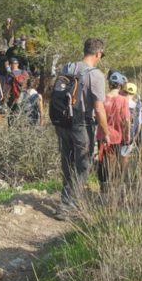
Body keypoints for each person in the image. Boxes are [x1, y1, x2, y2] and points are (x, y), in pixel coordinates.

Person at [52, 38, 110, 218]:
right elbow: (99, 108)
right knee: (84, 165)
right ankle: (67, 205)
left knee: (67, 162)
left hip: (61, 122)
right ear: (98, 54)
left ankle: (67, 198)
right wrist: (106, 133)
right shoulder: (96, 75)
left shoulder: (67, 68)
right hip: (81, 124)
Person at [96, 71, 131, 191]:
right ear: (120, 85)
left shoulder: (102, 98)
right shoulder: (123, 100)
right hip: (117, 137)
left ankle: (103, 187)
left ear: (110, 84)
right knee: (115, 163)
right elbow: (126, 120)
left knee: (102, 162)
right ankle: (113, 187)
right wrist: (127, 138)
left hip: (101, 136)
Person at [6, 58, 30, 123]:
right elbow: (29, 82)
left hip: (14, 95)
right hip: (24, 94)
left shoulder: (11, 74)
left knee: (12, 111)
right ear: (18, 64)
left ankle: (12, 126)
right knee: (22, 110)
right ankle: (21, 125)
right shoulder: (24, 72)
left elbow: (7, 85)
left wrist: (5, 95)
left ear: (11, 65)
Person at [124, 82, 141, 154]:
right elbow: (139, 123)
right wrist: (135, 137)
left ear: (124, 91)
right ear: (134, 93)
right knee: (125, 156)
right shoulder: (137, 106)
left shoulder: (120, 102)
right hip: (131, 136)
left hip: (118, 136)